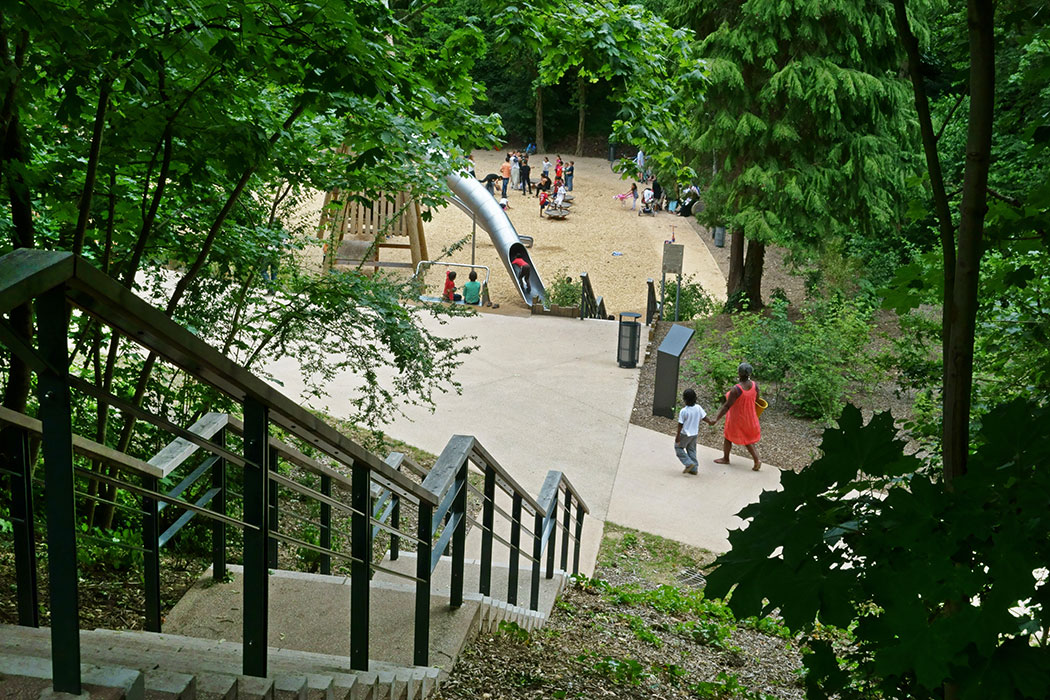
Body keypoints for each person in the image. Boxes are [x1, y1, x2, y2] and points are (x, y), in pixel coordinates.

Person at [709, 362, 762, 471]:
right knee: (748, 439)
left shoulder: (736, 389)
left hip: (737, 418)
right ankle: (756, 460)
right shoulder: (755, 385)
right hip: (750, 417)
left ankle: (726, 458)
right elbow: (757, 400)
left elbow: (727, 406)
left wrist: (716, 418)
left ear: (739, 373)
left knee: (728, 437)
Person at [675, 389, 714, 475]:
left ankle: (689, 464)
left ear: (684, 400)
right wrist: (710, 422)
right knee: (691, 450)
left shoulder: (684, 411)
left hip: (685, 434)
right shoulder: (698, 408)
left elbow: (680, 424)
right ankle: (694, 469)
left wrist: (677, 435)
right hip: (694, 434)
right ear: (695, 398)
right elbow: (704, 417)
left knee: (678, 448)